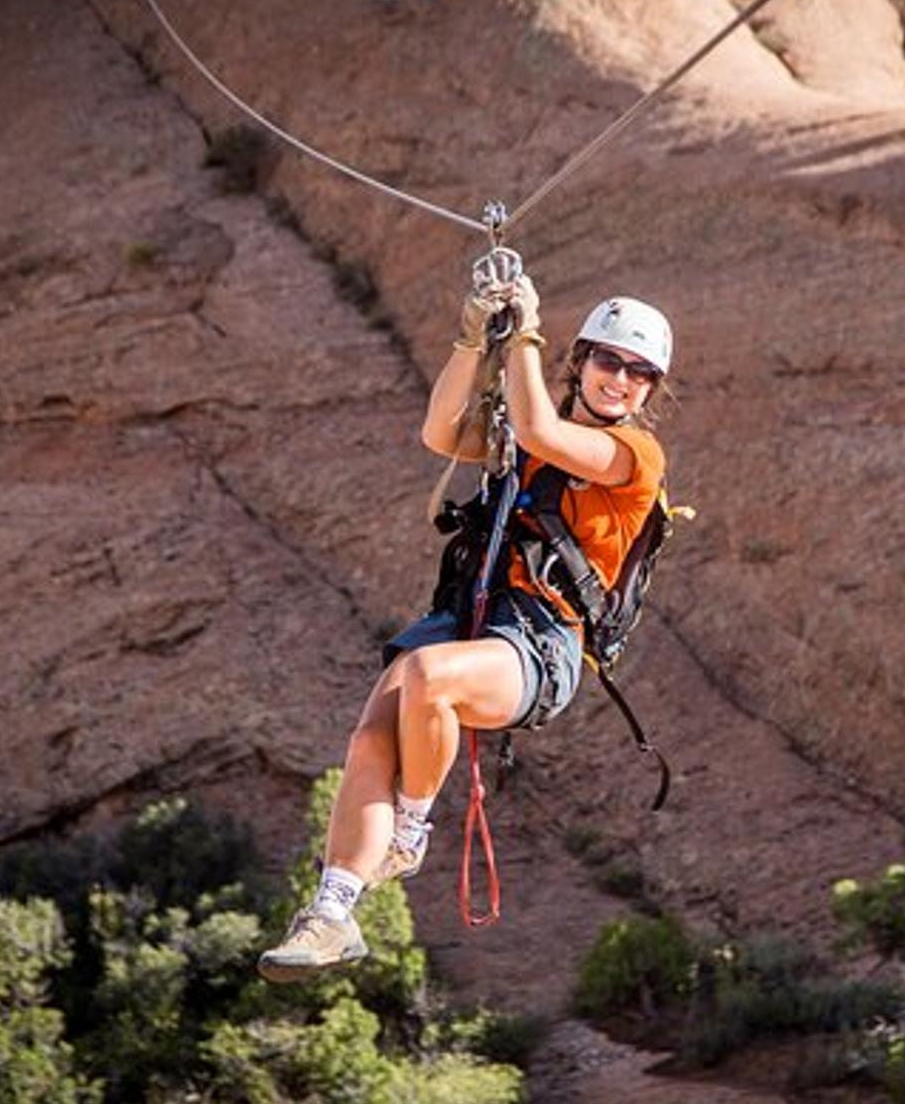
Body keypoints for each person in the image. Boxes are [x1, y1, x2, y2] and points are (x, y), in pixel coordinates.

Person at [258, 273, 673, 982]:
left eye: (641, 374)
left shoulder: (635, 458)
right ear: (582, 361)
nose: (621, 381)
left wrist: (527, 332)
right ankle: (332, 912)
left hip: (543, 639)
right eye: (610, 360)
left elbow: (541, 429)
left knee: (426, 678)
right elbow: (441, 432)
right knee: (371, 737)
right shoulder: (529, 434)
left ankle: (409, 832)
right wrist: (472, 340)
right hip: (471, 614)